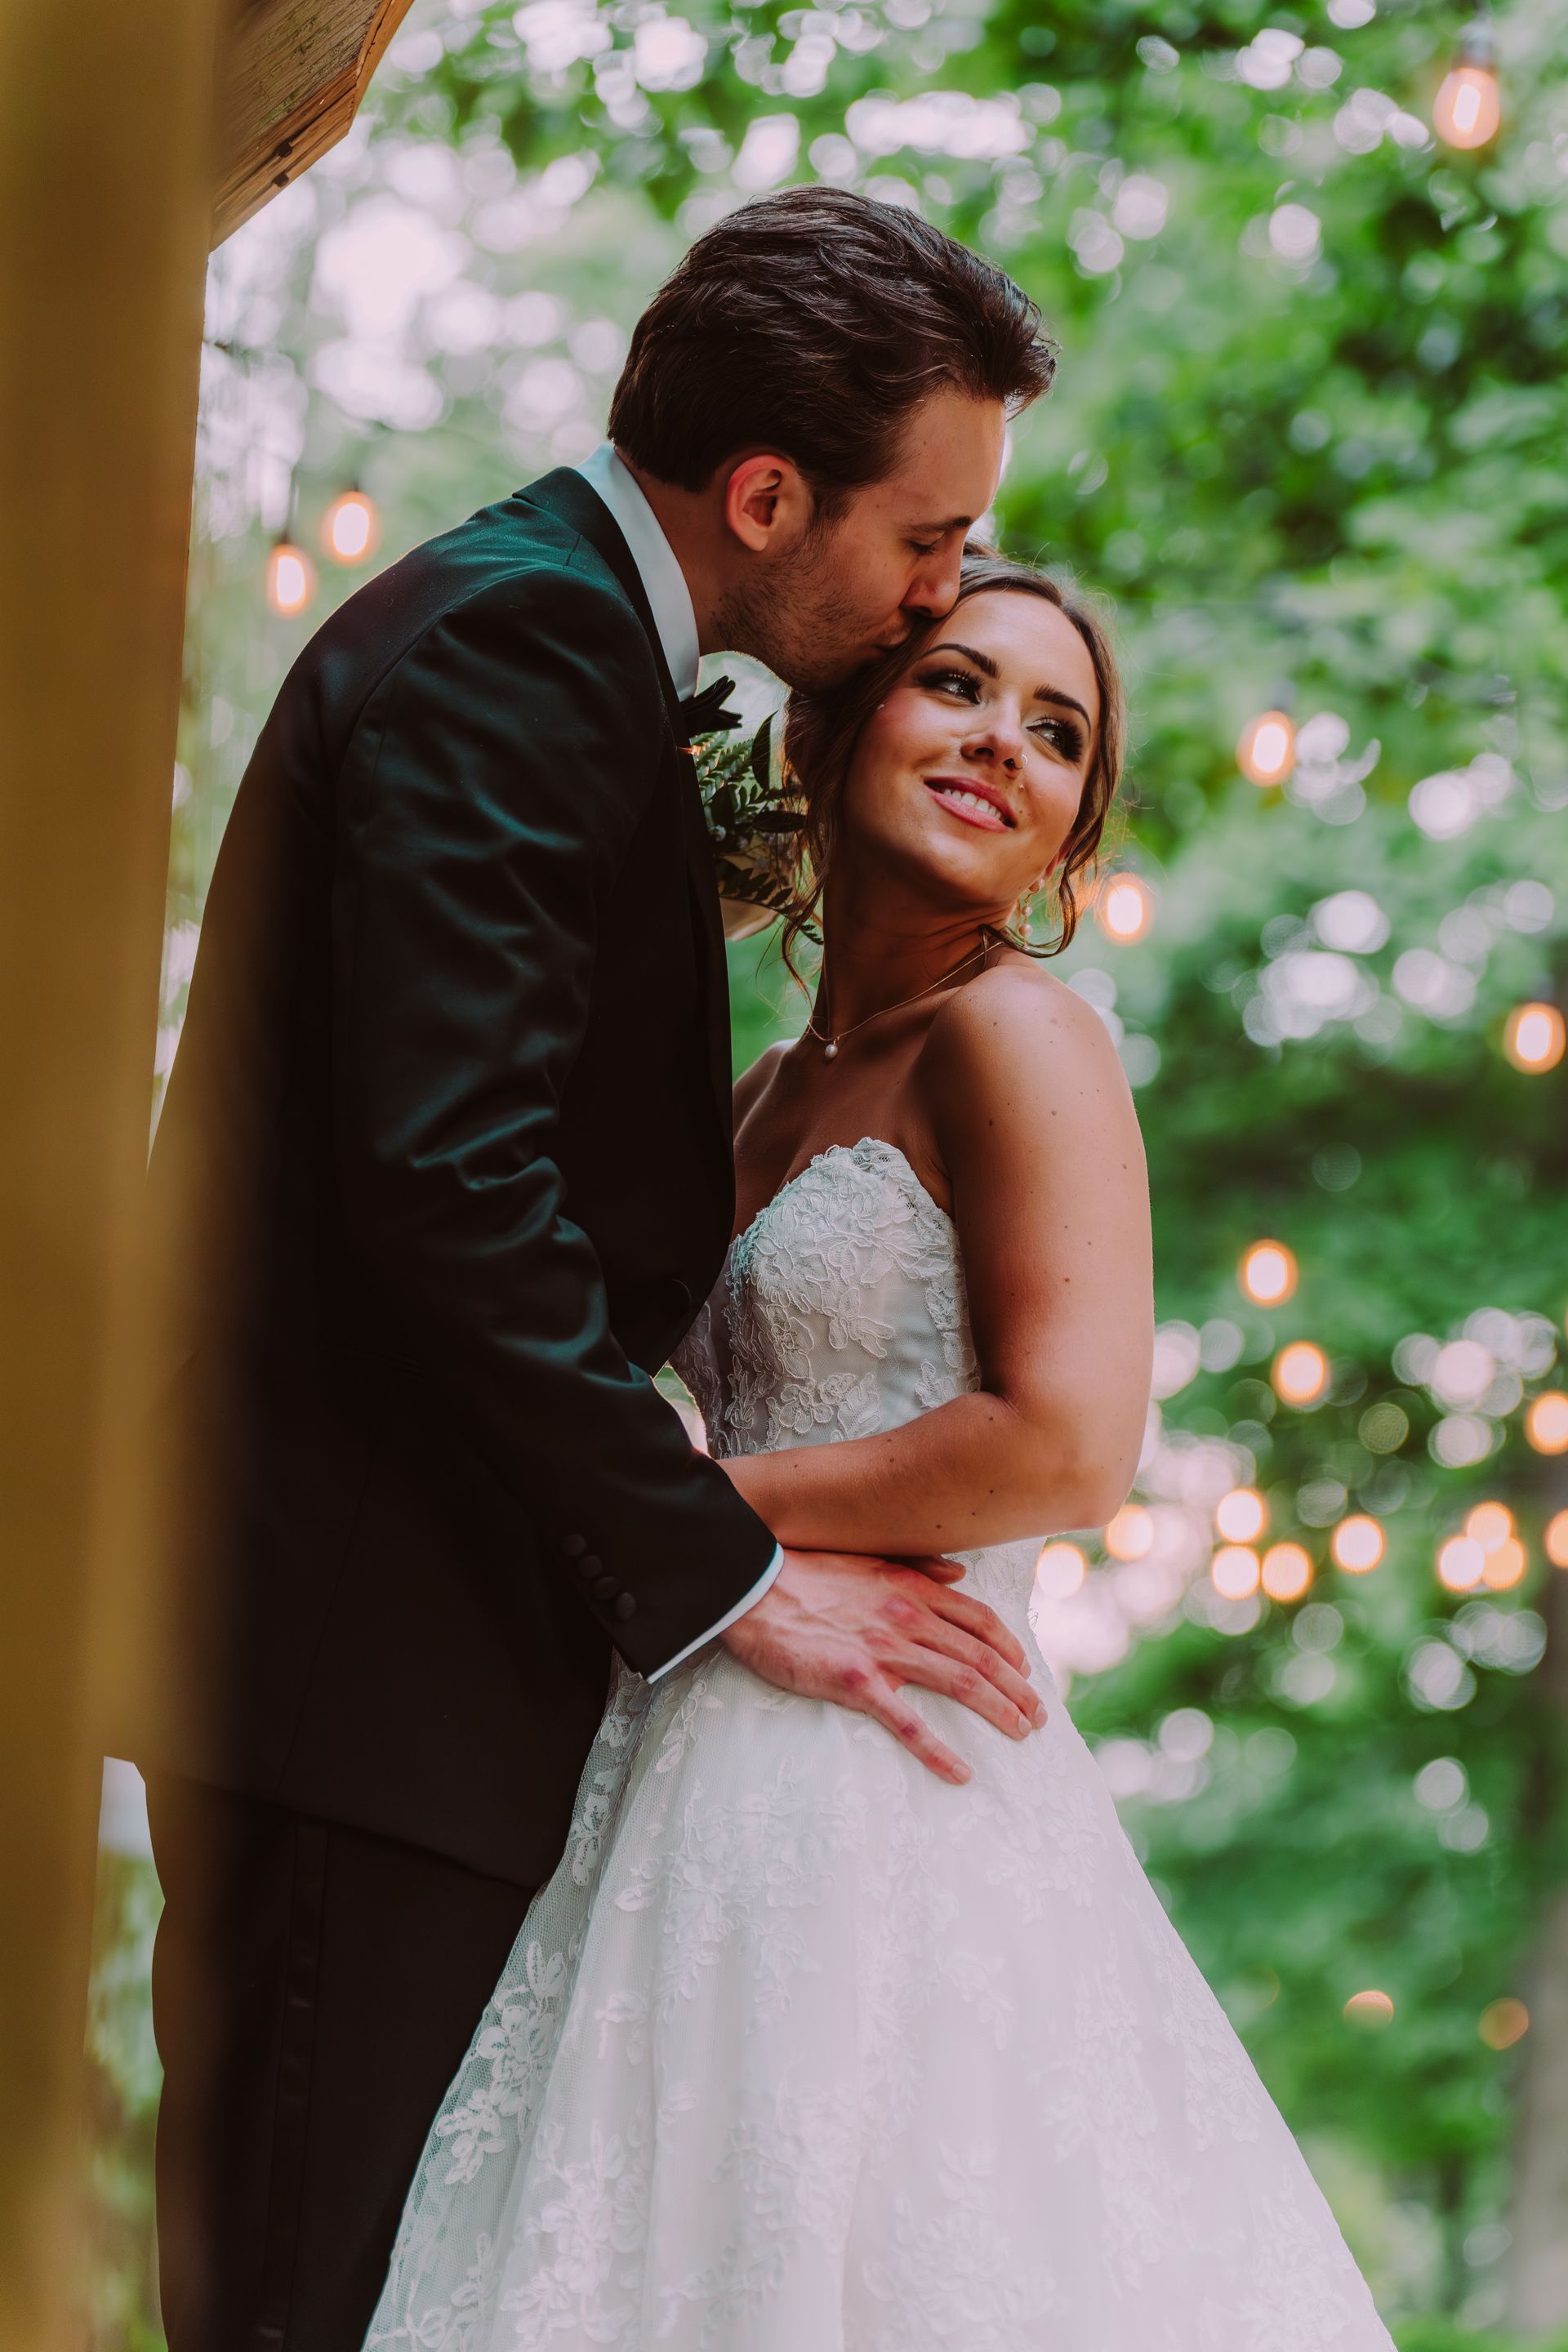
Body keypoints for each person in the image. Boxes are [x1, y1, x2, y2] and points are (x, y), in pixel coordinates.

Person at [140, 188, 1058, 2352]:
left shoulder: (558, 641)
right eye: (929, 542)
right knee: (294, 2292)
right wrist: (732, 1571)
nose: (949, 585)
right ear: (766, 496)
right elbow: (447, 1185)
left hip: (432, 1672)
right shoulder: (516, 650)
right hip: (361, 1673)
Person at [365, 556, 1397, 2351]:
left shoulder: (1021, 1037)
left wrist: (681, 1516)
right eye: (960, 687)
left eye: (1058, 733)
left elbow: (1068, 1445)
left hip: (892, 1766)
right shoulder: (757, 1095)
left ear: (1073, 841)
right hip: (683, 1754)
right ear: (836, 727)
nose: (1007, 739)